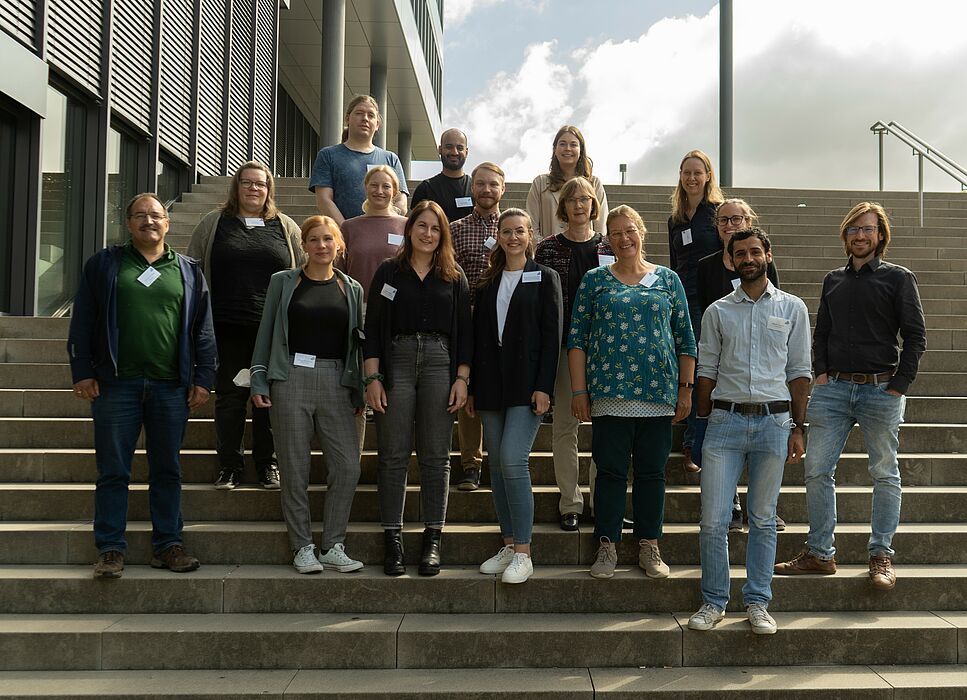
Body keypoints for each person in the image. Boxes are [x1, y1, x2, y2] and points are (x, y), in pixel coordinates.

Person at [775, 202, 926, 590]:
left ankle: (881, 555)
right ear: (845, 235)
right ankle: (820, 554)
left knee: (884, 473)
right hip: (833, 390)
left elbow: (915, 336)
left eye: (868, 229)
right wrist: (820, 374)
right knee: (817, 470)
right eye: (854, 229)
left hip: (881, 389)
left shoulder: (899, 279)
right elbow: (821, 331)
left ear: (880, 235)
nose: (860, 235)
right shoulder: (832, 280)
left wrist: (899, 384)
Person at [68, 193, 216, 578]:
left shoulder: (187, 270)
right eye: (140, 215)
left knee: (167, 469)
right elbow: (83, 318)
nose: (149, 221)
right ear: (128, 223)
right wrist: (81, 370)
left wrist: (203, 378)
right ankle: (110, 550)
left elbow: (203, 330)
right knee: (113, 470)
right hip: (117, 385)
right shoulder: (105, 265)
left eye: (156, 215)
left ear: (167, 223)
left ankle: (168, 545)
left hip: (170, 386)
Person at [687, 228, 811, 636]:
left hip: (775, 425)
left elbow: (799, 373)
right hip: (724, 423)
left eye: (755, 251)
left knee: (761, 519)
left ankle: (757, 601)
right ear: (731, 260)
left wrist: (799, 427)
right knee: (713, 520)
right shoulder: (717, 312)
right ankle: (714, 601)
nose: (748, 258)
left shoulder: (793, 308)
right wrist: (700, 427)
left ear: (768, 255)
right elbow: (705, 372)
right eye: (740, 253)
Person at [569, 205, 696, 580]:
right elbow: (577, 339)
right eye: (616, 233)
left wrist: (685, 391)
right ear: (607, 238)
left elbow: (685, 338)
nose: (624, 238)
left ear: (642, 233)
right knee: (608, 472)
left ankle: (648, 545)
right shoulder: (594, 280)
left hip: (658, 393)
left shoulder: (668, 280)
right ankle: (607, 545)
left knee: (652, 473)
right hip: (609, 393)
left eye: (630, 230)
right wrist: (579, 390)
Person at [250, 216, 366, 575]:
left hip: (337, 381)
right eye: (314, 239)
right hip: (290, 379)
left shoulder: (352, 288)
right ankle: (302, 546)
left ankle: (333, 544)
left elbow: (357, 345)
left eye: (328, 239)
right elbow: (267, 331)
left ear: (338, 245)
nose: (321, 245)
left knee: (348, 466)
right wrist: (258, 379)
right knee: (294, 467)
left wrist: (360, 385)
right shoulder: (283, 283)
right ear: (304, 245)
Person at [363, 200, 473, 577]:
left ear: (443, 235)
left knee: (436, 456)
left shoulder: (454, 276)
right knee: (393, 454)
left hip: (441, 363)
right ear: (409, 229)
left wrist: (462, 378)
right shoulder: (388, 272)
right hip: (397, 360)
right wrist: (372, 378)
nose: (428, 234)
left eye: (435, 228)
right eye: (422, 226)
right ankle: (392, 540)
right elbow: (374, 326)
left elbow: (464, 332)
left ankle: (432, 539)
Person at [186, 161, 304, 491]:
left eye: (260, 184)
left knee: (269, 398)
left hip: (273, 331)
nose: (254, 189)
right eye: (247, 183)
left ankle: (268, 465)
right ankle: (230, 466)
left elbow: (305, 274)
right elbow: (192, 270)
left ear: (269, 190)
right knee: (230, 397)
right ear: (236, 188)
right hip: (226, 326)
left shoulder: (286, 226)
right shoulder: (213, 223)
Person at [468, 208, 562, 584]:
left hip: (527, 385)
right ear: (499, 236)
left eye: (519, 231)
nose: (512, 238)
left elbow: (551, 336)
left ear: (531, 236)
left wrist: (544, 386)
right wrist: (473, 387)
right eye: (506, 231)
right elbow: (477, 338)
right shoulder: (488, 280)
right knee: (495, 466)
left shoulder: (545, 277)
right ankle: (507, 544)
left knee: (512, 459)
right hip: (491, 385)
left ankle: (524, 551)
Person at [695, 198, 784, 532]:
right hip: (722, 356)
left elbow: (773, 305)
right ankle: (730, 502)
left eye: (737, 218)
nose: (730, 224)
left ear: (749, 220)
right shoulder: (706, 265)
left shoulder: (759, 260)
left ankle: (763, 506)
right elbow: (704, 308)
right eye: (723, 220)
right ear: (716, 226)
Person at [535, 177, 613, 531]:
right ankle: (571, 503)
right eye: (572, 200)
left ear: (594, 205)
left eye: (585, 199)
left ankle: (600, 500)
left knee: (606, 428)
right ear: (562, 207)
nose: (579, 205)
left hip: (607, 348)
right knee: (565, 427)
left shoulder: (610, 246)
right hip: (567, 348)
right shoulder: (548, 249)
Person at [449, 162, 507, 491]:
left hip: (504, 324)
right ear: (473, 188)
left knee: (498, 389)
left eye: (493, 185)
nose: (487, 190)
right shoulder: (456, 229)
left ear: (503, 189)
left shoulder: (514, 227)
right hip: (468, 319)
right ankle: (471, 463)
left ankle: (501, 458)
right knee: (467, 390)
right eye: (481, 184)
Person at [668, 149, 726, 474]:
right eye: (686, 172)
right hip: (681, 300)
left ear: (707, 177)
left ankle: (694, 443)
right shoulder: (675, 218)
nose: (691, 178)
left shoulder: (717, 213)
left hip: (709, 300)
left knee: (702, 370)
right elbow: (674, 264)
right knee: (683, 367)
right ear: (680, 175)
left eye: (698, 172)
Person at [309, 95, 408, 224]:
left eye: (371, 115)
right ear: (347, 119)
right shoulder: (328, 155)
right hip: (344, 238)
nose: (365, 119)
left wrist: (384, 224)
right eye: (359, 113)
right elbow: (324, 199)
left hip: (383, 236)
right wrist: (347, 231)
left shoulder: (390, 159)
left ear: (377, 124)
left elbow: (402, 201)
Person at [339, 165, 407, 304]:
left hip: (396, 305)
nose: (379, 191)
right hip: (356, 305)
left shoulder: (407, 226)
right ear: (366, 188)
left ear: (394, 191)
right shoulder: (348, 227)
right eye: (374, 185)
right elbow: (339, 270)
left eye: (386, 186)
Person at [526, 125, 609, 239]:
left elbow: (601, 227)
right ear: (555, 150)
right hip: (549, 254)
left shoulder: (594, 183)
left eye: (573, 144)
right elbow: (531, 225)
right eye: (562, 144)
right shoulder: (540, 183)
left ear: (581, 150)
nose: (568, 148)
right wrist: (545, 250)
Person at [410, 128, 473, 223]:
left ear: (466, 152)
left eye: (460, 148)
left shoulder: (475, 188)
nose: (454, 152)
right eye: (449, 147)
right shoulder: (425, 189)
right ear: (440, 149)